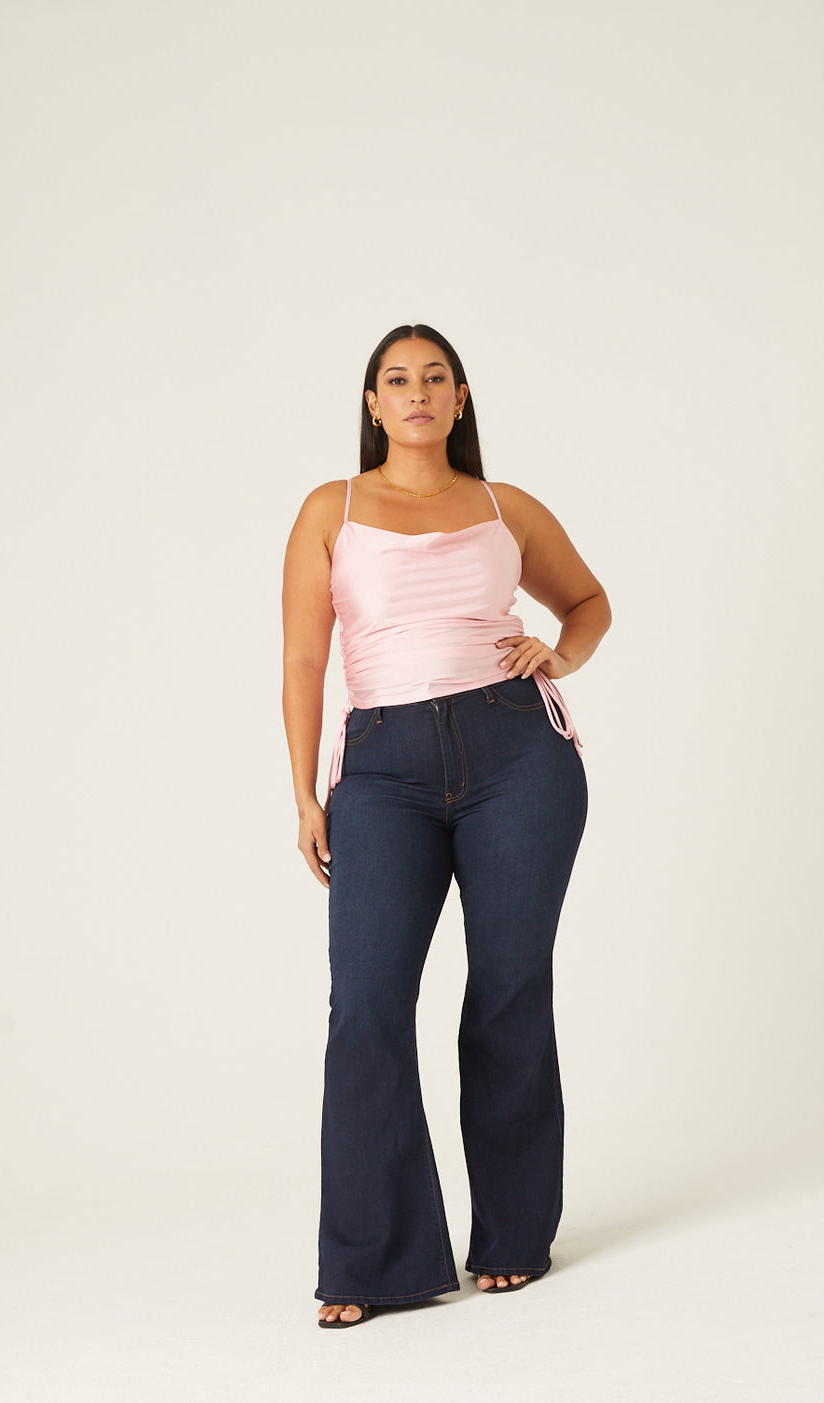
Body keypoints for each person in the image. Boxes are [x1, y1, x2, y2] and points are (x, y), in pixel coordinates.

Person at [281, 324, 611, 1328]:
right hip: (381, 768)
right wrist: (305, 793)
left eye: (435, 377)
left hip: (518, 756)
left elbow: (588, 601)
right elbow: (304, 659)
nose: (416, 391)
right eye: (397, 378)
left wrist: (558, 652)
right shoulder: (331, 509)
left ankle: (513, 1235)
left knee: (508, 987)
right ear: (373, 402)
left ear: (459, 398)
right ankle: (373, 1259)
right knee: (366, 1001)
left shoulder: (506, 506)